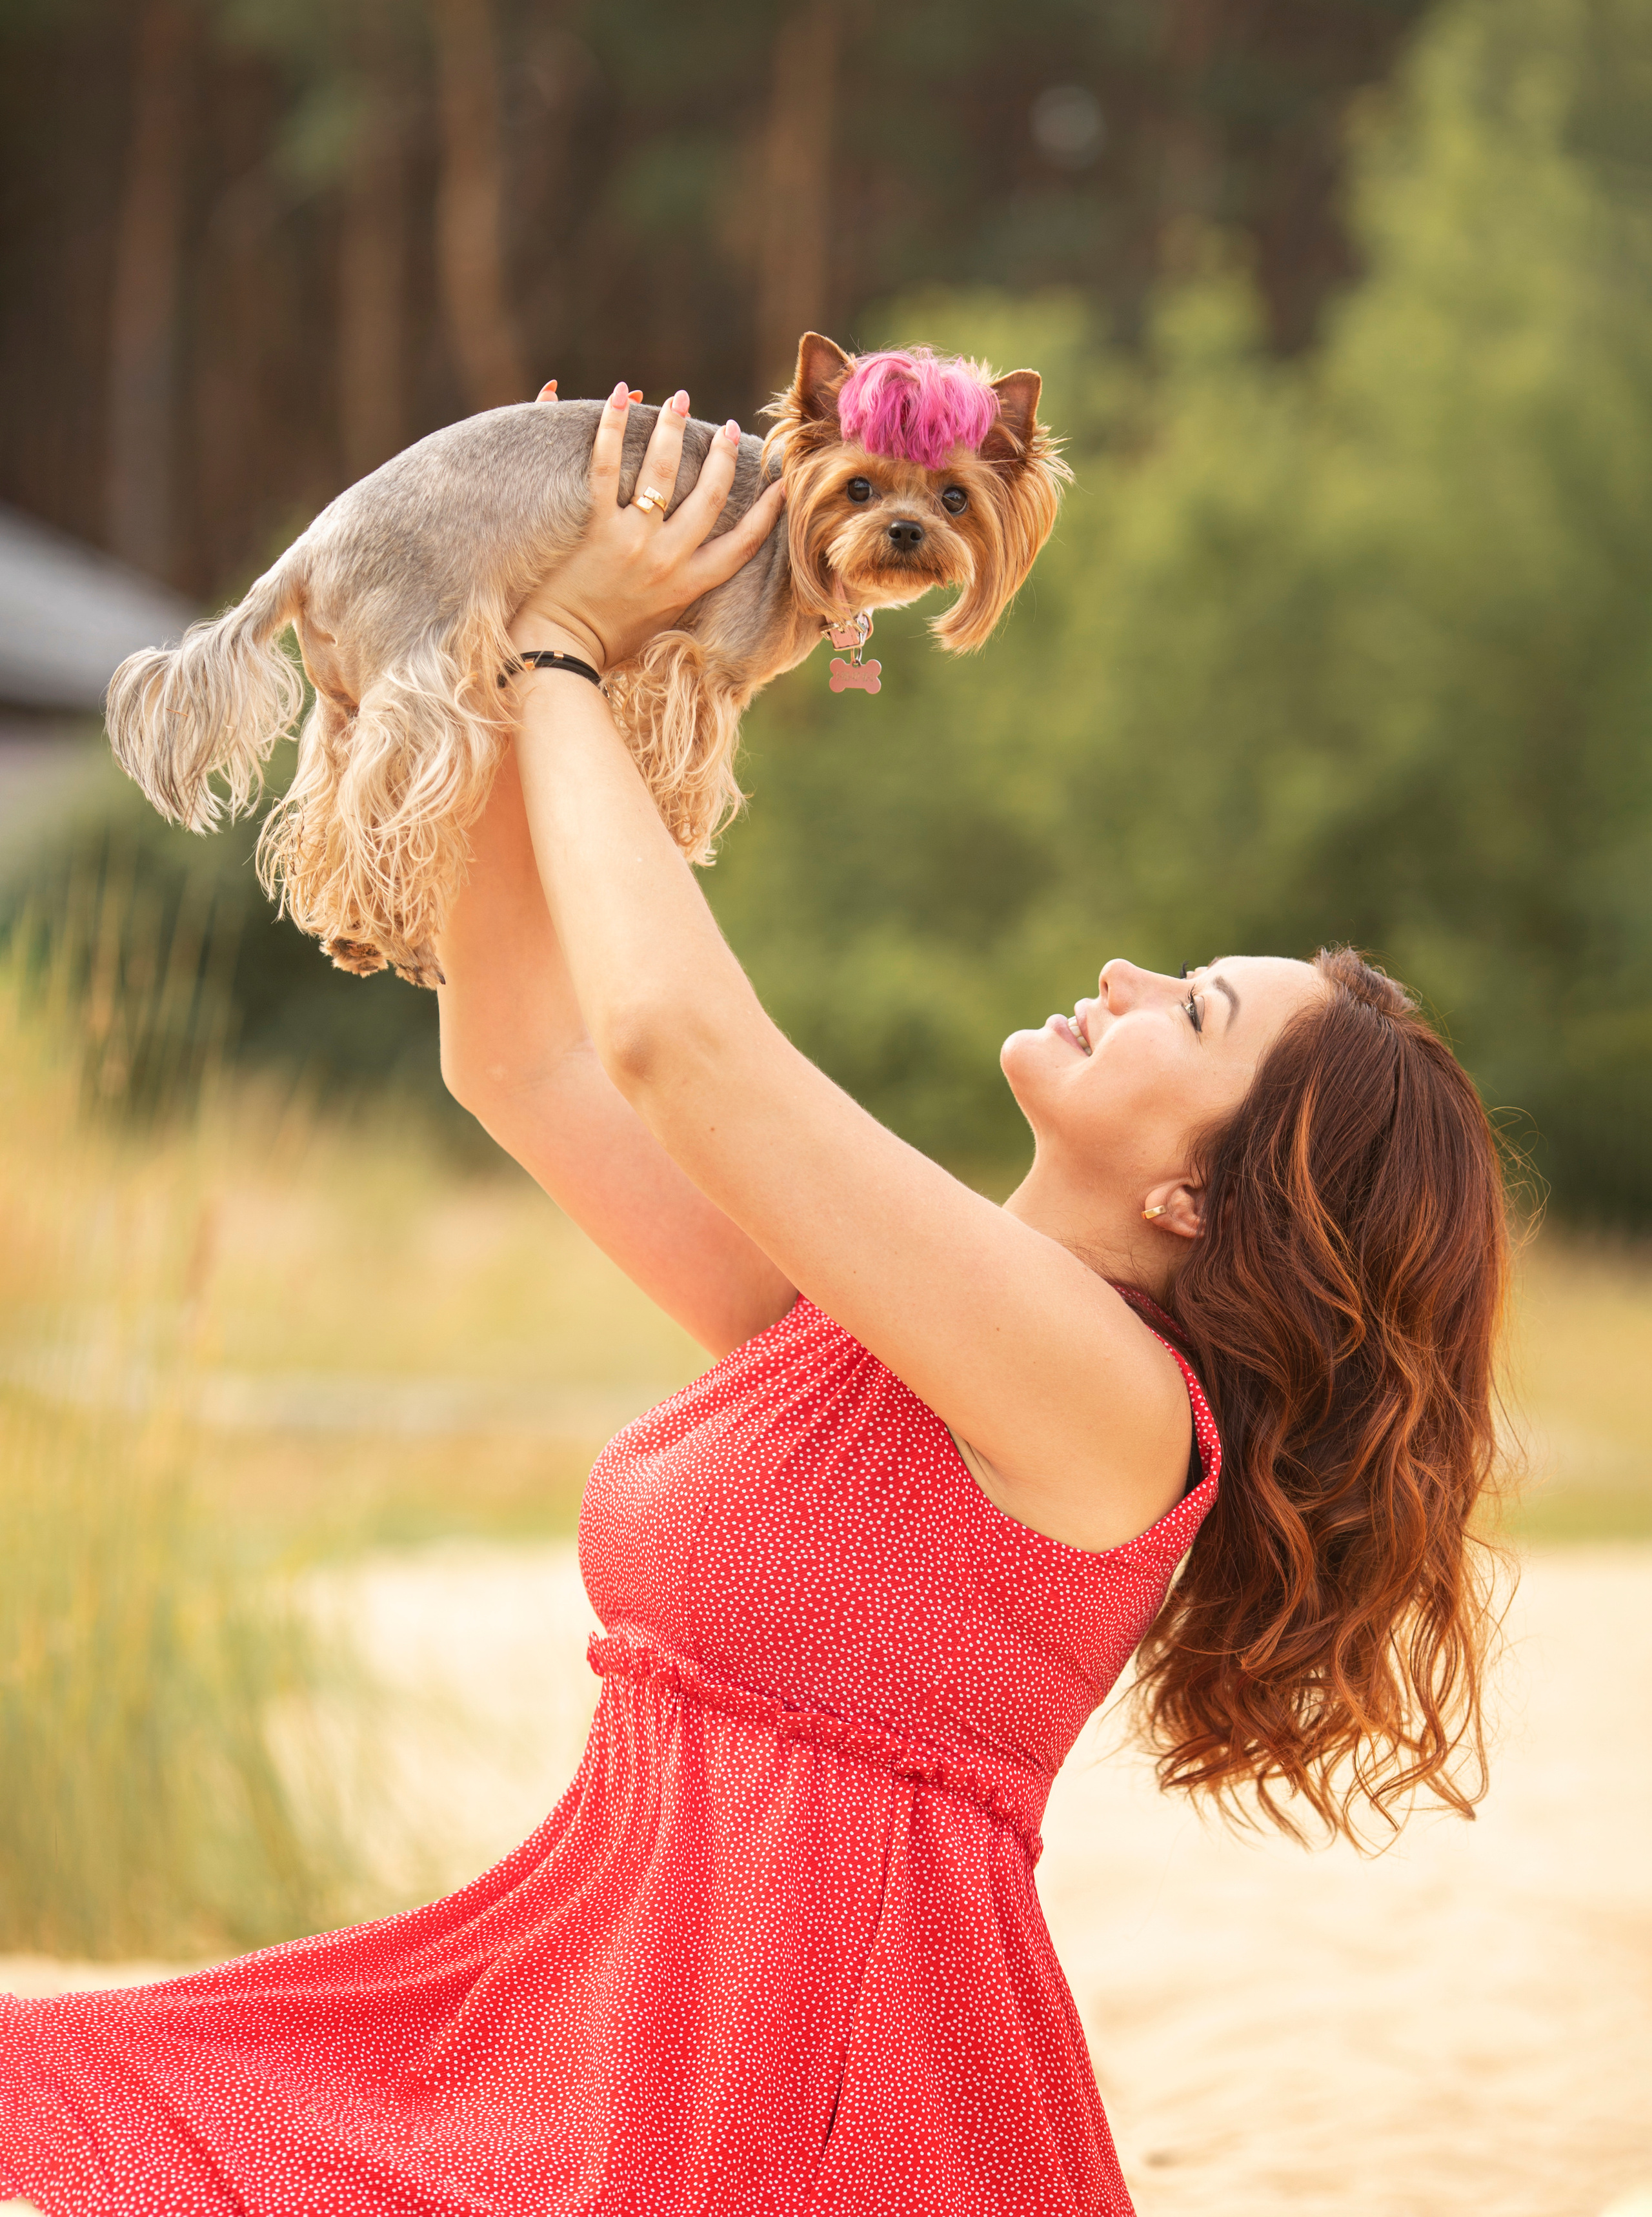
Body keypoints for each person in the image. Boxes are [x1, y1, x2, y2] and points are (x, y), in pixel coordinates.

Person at [0, 389, 1509, 2217]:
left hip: (806, 2130)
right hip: (568, 2041)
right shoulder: (878, 1320)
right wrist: (499, 618)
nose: (1124, 972)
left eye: (1192, 1010)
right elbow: (525, 1051)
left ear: (1204, 1192)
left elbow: (672, 1042)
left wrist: (570, 652)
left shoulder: (1103, 1405)